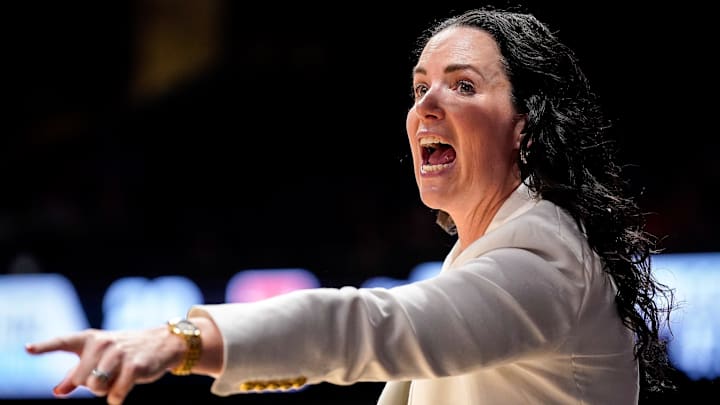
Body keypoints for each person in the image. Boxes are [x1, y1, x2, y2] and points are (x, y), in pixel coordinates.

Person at [26, 6, 676, 405]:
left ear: (526, 126)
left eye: (463, 85)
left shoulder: (546, 260)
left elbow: (370, 322)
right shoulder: (491, 253)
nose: (426, 105)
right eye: (420, 87)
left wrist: (183, 340)